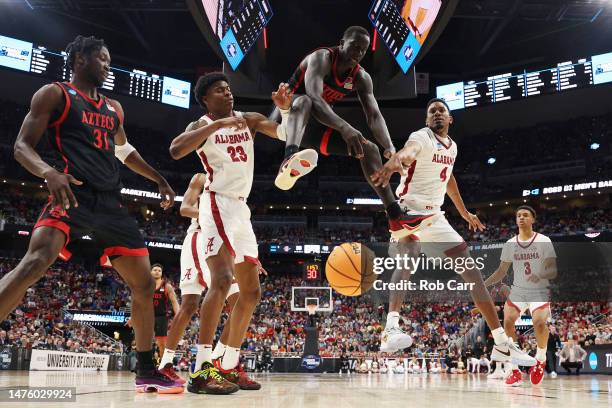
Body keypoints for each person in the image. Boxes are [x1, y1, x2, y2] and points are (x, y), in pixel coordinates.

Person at [0, 35, 181, 393]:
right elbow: (22, 146)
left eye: (108, 59)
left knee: (144, 285)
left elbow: (125, 151)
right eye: (102, 58)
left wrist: (158, 178)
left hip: (111, 204)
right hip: (72, 193)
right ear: (80, 59)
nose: (108, 65)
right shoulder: (55, 94)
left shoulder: (114, 108)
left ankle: (146, 369)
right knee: (33, 264)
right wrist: (48, 173)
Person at [371, 99, 536, 370]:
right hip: (408, 210)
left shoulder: (453, 147)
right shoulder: (421, 137)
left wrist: (464, 213)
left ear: (450, 119)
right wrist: (394, 162)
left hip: (435, 217)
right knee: (409, 257)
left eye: (441, 111)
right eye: (431, 111)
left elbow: (449, 180)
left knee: (471, 272)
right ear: (427, 120)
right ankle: (390, 328)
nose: (436, 114)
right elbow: (408, 152)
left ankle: (502, 344)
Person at [169, 72, 291, 394]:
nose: (228, 94)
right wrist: (214, 126)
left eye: (229, 89)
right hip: (216, 203)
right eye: (220, 91)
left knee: (251, 293)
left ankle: (228, 365)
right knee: (221, 280)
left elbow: (283, 133)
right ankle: (200, 370)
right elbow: (176, 149)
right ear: (207, 99)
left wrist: (286, 110)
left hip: (241, 210)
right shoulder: (201, 125)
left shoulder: (247, 120)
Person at [272, 26, 428, 238]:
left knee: (370, 149)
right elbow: (315, 99)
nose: (358, 52)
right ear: (341, 42)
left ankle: (394, 215)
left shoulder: (361, 77)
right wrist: (346, 128)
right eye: (354, 46)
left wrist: (390, 148)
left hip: (314, 128)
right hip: (287, 119)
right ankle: (289, 157)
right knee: (305, 100)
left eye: (363, 50)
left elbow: (374, 115)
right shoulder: (322, 58)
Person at [485, 206, 557, 386]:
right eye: (518, 216)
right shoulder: (510, 243)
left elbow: (553, 269)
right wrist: (482, 285)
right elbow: (502, 271)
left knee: (539, 323)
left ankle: (540, 360)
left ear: (533, 219)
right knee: (508, 322)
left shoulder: (543, 240)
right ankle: (514, 370)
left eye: (525, 215)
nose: (521, 218)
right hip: (518, 290)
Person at [150, 264, 179, 360]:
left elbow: (174, 302)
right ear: (151, 272)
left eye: (159, 270)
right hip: (147, 316)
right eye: (155, 270)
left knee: (162, 343)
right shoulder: (146, 285)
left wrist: (179, 316)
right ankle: (145, 366)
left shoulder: (167, 286)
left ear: (161, 273)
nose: (157, 271)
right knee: (143, 342)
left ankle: (163, 366)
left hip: (161, 317)